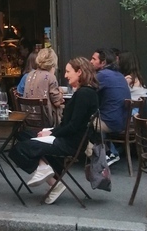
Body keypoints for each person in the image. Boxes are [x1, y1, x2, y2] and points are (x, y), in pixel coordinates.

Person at [10, 56, 100, 205]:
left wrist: (51, 133)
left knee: (17, 149)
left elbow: (73, 126)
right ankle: (45, 168)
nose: (65, 75)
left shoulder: (84, 94)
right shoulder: (86, 93)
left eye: (68, 72)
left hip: (70, 143)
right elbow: (71, 125)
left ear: (79, 72)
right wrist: (50, 130)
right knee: (22, 134)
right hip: (70, 138)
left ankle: (51, 179)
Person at [90, 48, 131, 166]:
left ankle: (109, 152)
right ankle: (108, 150)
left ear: (103, 63)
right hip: (123, 122)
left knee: (84, 118)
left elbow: (86, 91)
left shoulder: (102, 75)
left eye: (94, 59)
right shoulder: (119, 75)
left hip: (109, 123)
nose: (90, 61)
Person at [20, 47, 64, 127]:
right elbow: (57, 102)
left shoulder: (29, 75)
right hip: (46, 120)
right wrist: (60, 92)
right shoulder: (51, 77)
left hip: (28, 118)